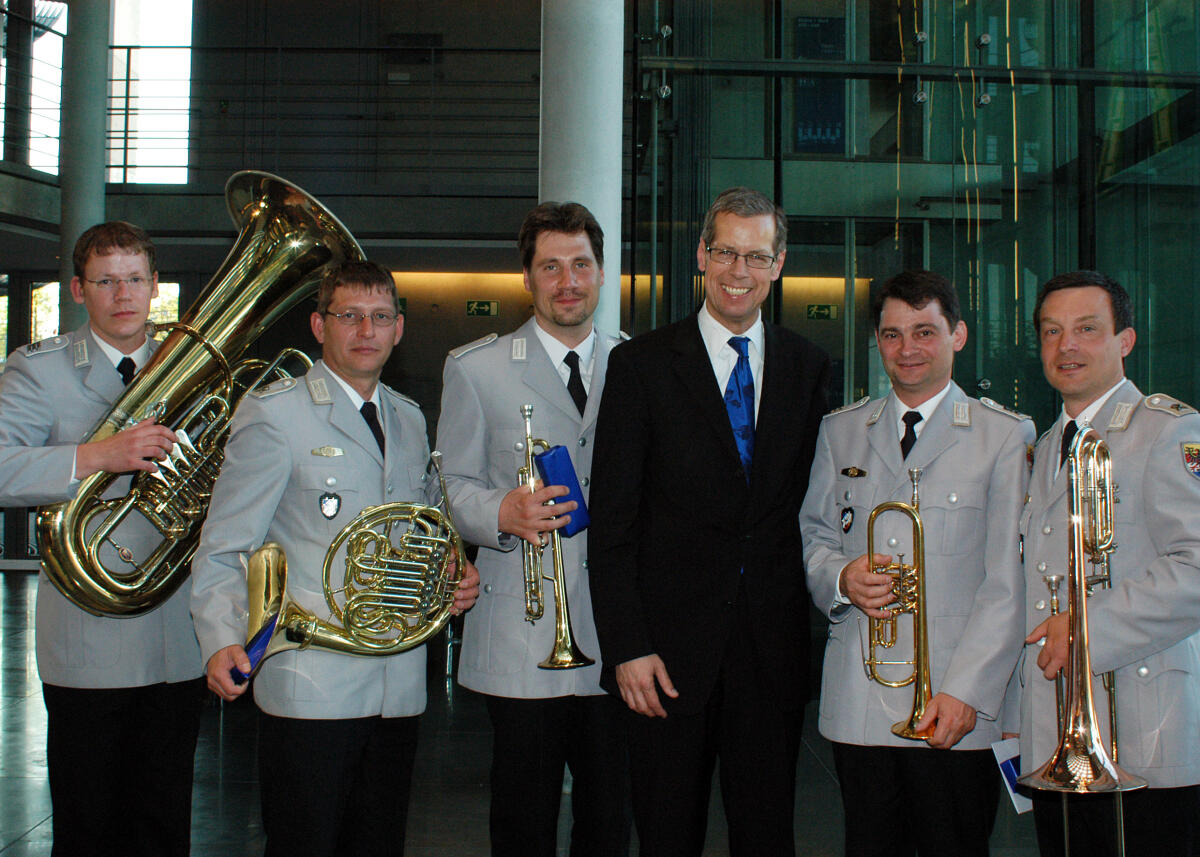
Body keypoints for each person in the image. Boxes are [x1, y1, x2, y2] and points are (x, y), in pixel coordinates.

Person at [191, 260, 480, 857]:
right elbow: (225, 543)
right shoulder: (275, 413)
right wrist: (222, 638)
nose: (365, 331)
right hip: (310, 684)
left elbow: (421, 523)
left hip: (397, 683)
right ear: (319, 326)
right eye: (349, 316)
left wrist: (452, 570)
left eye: (379, 317)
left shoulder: (407, 416)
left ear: (399, 329)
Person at [587, 186, 830, 856]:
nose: (739, 270)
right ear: (702, 254)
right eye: (725, 251)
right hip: (663, 660)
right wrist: (627, 646)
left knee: (767, 836)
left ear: (779, 264)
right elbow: (612, 526)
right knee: (667, 836)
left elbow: (811, 511)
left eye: (756, 255)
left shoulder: (810, 367)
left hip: (771, 656)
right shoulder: (638, 366)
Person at [798, 270, 1033, 857]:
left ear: (958, 335)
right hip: (863, 696)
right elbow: (814, 535)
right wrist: (841, 577)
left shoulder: (1003, 436)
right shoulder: (840, 431)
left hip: (954, 703)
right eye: (893, 334)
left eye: (924, 332)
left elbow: (1008, 584)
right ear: (877, 341)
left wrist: (968, 693)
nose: (907, 350)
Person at [0, 221, 203, 857]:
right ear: (78, 290)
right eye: (106, 280)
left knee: (164, 821)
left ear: (155, 286)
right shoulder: (39, 369)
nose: (124, 294)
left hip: (178, 630)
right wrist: (98, 455)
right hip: (90, 632)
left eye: (136, 279)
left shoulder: (194, 366)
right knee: (90, 824)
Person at [436, 202, 629, 857]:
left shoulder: (637, 364)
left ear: (603, 274)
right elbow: (452, 483)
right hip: (520, 634)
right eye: (550, 266)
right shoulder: (475, 368)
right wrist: (499, 513)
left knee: (610, 818)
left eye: (580, 264)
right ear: (528, 278)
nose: (567, 279)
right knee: (522, 819)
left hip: (613, 634)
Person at [1018, 270, 1200, 857]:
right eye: (1052, 331)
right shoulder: (1047, 445)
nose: (1066, 346)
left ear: (1125, 340)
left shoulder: (1169, 430)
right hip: (1058, 728)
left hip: (1145, 722)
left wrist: (1087, 627)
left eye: (1086, 329)